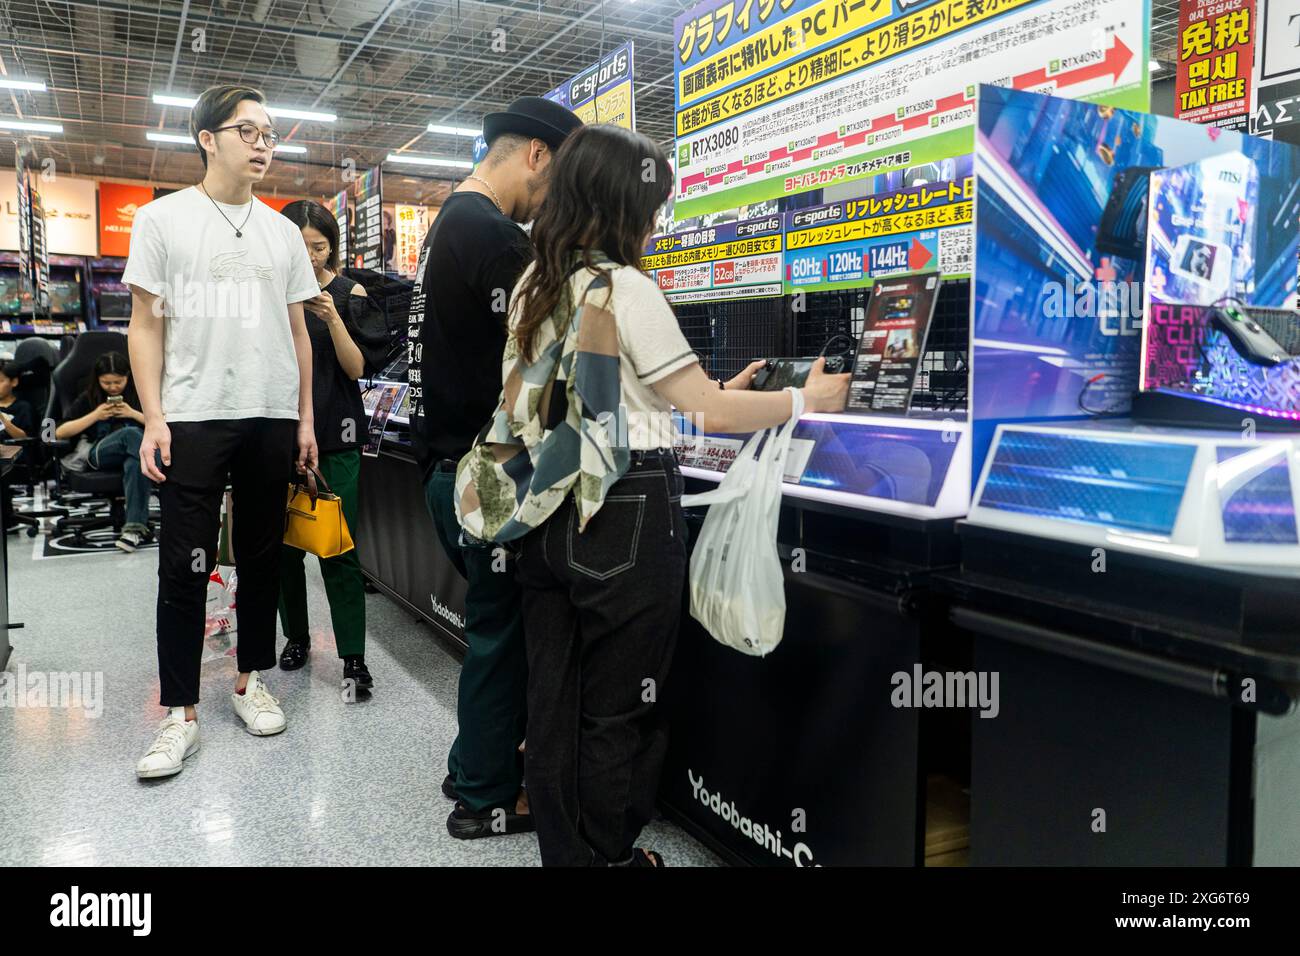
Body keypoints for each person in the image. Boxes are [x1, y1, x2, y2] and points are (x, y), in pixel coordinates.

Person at [502, 124, 849, 866]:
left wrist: (712, 392)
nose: (656, 222)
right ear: (622, 205)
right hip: (624, 513)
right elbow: (710, 415)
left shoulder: (535, 285)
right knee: (621, 710)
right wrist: (805, 402)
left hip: (544, 508)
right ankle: (612, 860)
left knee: (556, 702)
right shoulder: (625, 287)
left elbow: (604, 402)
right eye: (651, 206)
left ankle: (571, 859)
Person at [125, 84, 320, 779]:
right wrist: (152, 414)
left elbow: (298, 332)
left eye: (270, 133)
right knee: (185, 563)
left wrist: (305, 418)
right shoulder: (162, 220)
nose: (263, 143)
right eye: (248, 131)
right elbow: (144, 324)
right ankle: (179, 714)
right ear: (208, 138)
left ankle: (251, 679)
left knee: (263, 557)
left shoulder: (283, 233)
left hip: (269, 415)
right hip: (192, 413)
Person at [412, 95, 581, 840]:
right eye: (559, 179)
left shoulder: (449, 225)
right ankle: (483, 798)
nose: (554, 202)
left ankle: (470, 766)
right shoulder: (496, 239)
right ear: (536, 156)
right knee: (502, 635)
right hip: (493, 470)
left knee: (494, 629)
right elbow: (549, 373)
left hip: (447, 468)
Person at [275, 199, 375, 693]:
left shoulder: (348, 291)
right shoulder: (267, 291)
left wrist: (334, 316)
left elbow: (357, 369)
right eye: (302, 245)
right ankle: (296, 637)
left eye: (321, 246)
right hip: (275, 436)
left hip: (337, 437)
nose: (312, 256)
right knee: (285, 550)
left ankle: (353, 656)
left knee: (339, 548)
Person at [52, 351, 154, 551]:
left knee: (135, 462)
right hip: (98, 453)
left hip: (137, 455)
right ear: (97, 380)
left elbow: (164, 424)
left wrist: (132, 413)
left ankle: (133, 529)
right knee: (131, 435)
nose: (113, 387)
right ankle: (156, 467)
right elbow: (59, 431)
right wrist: (95, 415)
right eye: (107, 383)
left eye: (118, 382)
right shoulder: (88, 397)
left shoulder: (140, 394)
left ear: (128, 378)